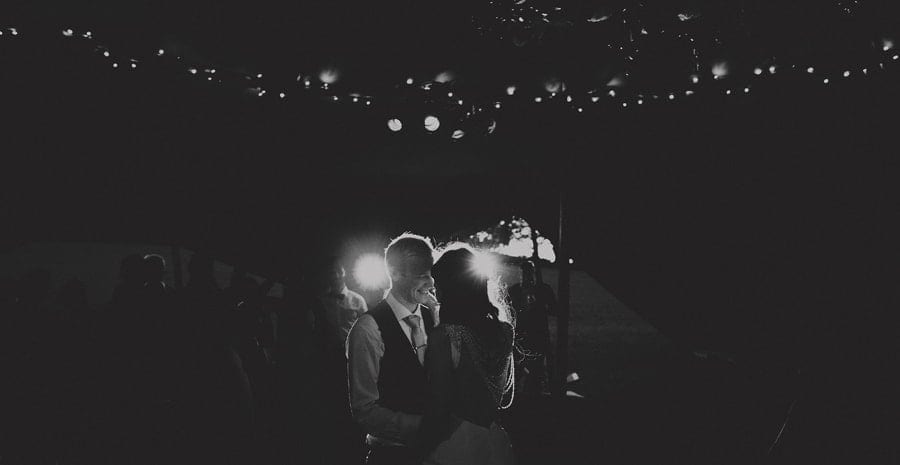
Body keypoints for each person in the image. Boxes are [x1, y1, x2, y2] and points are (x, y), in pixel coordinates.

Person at [415, 245, 515, 465]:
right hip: (494, 440)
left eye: (439, 286)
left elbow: (439, 405)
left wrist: (420, 446)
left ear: (452, 290)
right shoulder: (505, 331)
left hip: (457, 443)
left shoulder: (446, 336)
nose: (436, 293)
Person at [346, 233, 440, 465]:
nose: (431, 283)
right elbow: (364, 409)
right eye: (422, 276)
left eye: (431, 274)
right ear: (395, 273)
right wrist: (424, 426)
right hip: (393, 455)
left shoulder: (436, 317)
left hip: (440, 453)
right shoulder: (368, 329)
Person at [507, 260, 555, 398]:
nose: (525, 275)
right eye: (523, 272)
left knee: (535, 375)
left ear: (533, 273)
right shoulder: (514, 290)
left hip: (538, 337)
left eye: (528, 272)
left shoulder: (543, 290)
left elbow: (554, 309)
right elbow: (507, 312)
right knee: (515, 373)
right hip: (519, 338)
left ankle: (532, 402)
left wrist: (540, 306)